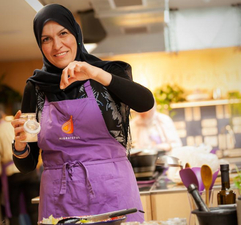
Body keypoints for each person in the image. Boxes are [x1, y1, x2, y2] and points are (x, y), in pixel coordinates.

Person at [10, 4, 154, 223]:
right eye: (46, 39)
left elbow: (145, 102)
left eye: (63, 33)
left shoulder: (107, 73)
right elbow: (27, 165)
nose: (57, 45)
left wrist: (95, 73)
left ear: (76, 34)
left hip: (113, 193)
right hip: (59, 200)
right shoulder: (36, 87)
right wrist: (20, 146)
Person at [0, 104, 40, 225]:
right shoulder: (16, 125)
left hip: (13, 176)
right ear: (2, 115)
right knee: (33, 209)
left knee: (13, 211)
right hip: (29, 170)